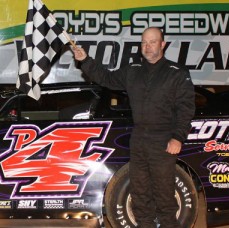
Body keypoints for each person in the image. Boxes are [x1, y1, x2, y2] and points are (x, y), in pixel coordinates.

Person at [72, 27, 195, 228]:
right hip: (138, 141)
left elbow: (186, 108)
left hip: (163, 141)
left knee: (164, 197)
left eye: (152, 42)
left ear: (163, 44)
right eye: (144, 42)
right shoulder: (133, 69)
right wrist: (85, 60)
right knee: (140, 196)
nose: (147, 46)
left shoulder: (177, 73)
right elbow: (107, 78)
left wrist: (178, 137)